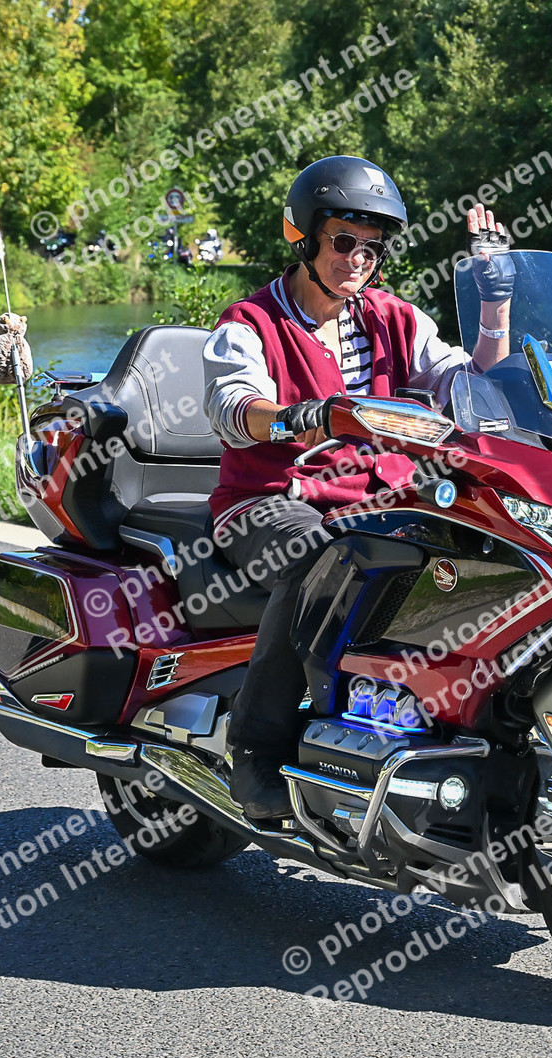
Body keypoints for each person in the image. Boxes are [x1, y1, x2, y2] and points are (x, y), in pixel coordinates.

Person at [201, 154, 517, 820]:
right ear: (304, 237)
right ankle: (255, 750)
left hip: (377, 504)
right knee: (324, 557)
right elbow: (231, 408)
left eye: (371, 249)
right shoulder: (250, 322)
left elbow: (473, 386)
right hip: (270, 500)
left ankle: (451, 735)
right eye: (344, 241)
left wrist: (495, 300)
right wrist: (298, 417)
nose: (358, 259)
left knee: (485, 553)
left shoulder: (393, 319)